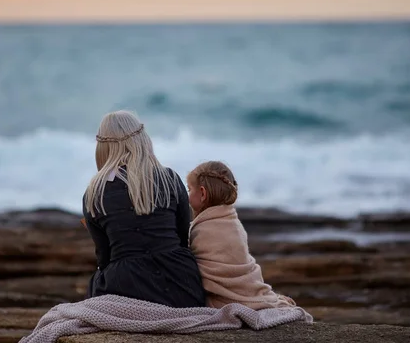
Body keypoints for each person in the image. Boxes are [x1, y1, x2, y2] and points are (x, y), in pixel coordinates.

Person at [83, 110, 205, 308]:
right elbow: (184, 238)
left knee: (95, 281)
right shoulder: (170, 179)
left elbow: (104, 258)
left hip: (125, 290)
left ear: (103, 146)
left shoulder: (94, 193)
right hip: (182, 287)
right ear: (142, 140)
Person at [187, 160, 296, 310]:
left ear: (203, 193)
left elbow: (195, 268)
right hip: (247, 288)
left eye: (189, 190)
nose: (187, 196)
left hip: (226, 297)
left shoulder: (203, 229)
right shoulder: (234, 223)